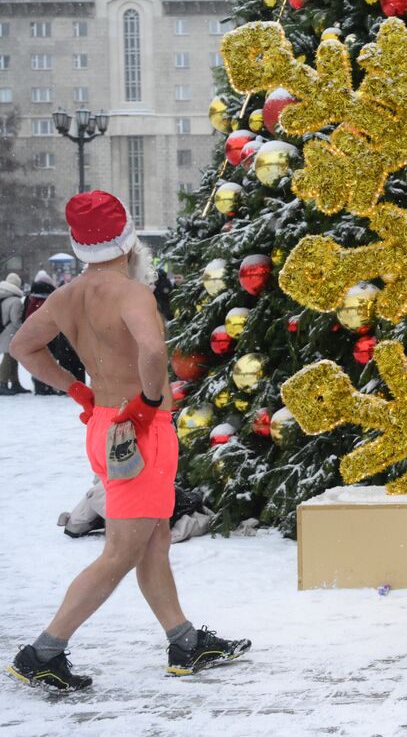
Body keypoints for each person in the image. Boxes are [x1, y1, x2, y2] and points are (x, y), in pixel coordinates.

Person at [4, 191, 249, 691]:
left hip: (104, 427)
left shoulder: (66, 295)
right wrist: (149, 401)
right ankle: (42, 652)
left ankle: (184, 643)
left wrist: (76, 388)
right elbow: (153, 349)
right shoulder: (131, 292)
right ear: (127, 238)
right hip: (138, 433)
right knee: (120, 553)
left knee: (153, 540)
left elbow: (22, 346)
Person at [22, 270, 86, 396]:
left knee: (39, 359)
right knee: (62, 360)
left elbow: (24, 315)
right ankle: (67, 387)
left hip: (35, 333)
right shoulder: (55, 297)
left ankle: (42, 387)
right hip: (54, 334)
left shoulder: (31, 297)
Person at [0, 271, 28, 394]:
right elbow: (16, 320)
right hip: (11, 332)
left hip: (3, 331)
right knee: (8, 358)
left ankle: (15, 383)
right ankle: (3, 383)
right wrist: (24, 328)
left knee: (12, 357)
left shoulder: (3, 297)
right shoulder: (15, 301)